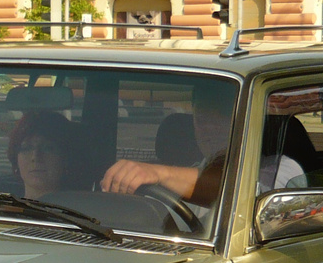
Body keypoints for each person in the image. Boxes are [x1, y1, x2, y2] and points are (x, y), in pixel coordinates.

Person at [101, 78, 238, 206]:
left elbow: (232, 186)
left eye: (223, 117)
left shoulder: (256, 173)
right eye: (202, 119)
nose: (210, 128)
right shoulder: (168, 189)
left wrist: (158, 173)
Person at [7, 111, 83, 199]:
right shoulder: (1, 208)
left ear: (65, 158)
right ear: (16, 159)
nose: (35, 157)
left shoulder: (82, 209)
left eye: (48, 148)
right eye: (26, 148)